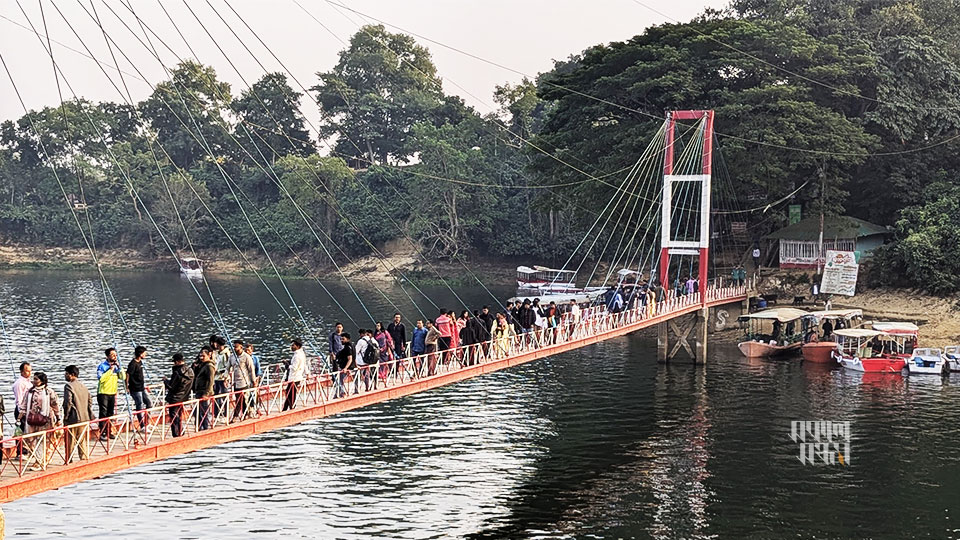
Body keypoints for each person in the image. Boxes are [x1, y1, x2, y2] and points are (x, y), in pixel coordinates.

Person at [19, 372, 60, 471]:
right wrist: (19, 417)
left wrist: (58, 418)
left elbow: (55, 404)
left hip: (45, 419)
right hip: (32, 419)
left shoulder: (49, 392)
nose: (34, 380)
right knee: (32, 440)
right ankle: (38, 459)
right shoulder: (30, 392)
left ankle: (40, 461)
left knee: (43, 440)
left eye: (36, 379)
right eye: (34, 378)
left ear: (41, 381)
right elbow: (24, 405)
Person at [62, 365, 94, 462]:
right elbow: (90, 401)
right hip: (84, 418)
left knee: (70, 440)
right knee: (82, 440)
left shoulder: (68, 386)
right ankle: (83, 457)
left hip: (73, 418)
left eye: (66, 374)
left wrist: (66, 416)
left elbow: (68, 403)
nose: (65, 376)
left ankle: (69, 459)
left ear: (72, 375)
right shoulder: (83, 386)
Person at [163, 353, 194, 438]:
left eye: (174, 362)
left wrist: (165, 381)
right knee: (179, 415)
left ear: (177, 362)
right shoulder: (190, 371)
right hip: (184, 396)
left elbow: (171, 387)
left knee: (173, 415)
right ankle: (180, 430)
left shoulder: (177, 372)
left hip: (175, 397)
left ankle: (176, 433)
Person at [96, 348, 122, 441]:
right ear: (107, 356)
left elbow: (122, 377)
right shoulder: (102, 366)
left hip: (112, 393)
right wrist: (110, 370)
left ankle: (109, 431)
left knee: (110, 413)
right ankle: (102, 433)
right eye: (112, 355)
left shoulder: (116, 366)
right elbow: (101, 378)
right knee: (103, 413)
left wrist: (119, 368)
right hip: (103, 393)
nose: (115, 356)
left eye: (116, 355)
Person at [229, 340, 256, 422]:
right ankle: (240, 415)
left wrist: (253, 381)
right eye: (234, 347)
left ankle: (239, 415)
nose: (234, 348)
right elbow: (228, 367)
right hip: (236, 382)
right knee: (238, 399)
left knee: (243, 399)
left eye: (236, 347)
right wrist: (226, 377)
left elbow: (251, 369)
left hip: (244, 381)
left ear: (241, 347)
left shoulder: (246, 357)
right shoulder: (232, 357)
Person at [126, 345, 151, 432]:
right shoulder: (133, 364)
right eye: (144, 353)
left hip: (141, 387)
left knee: (149, 403)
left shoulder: (140, 362)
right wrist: (127, 387)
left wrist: (145, 386)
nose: (145, 355)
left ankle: (147, 423)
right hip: (135, 389)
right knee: (139, 405)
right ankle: (142, 426)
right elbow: (128, 375)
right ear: (140, 354)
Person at [193, 346, 216, 431]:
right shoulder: (202, 365)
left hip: (204, 392)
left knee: (204, 410)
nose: (201, 358)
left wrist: (206, 393)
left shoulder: (209, 366)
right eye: (200, 356)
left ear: (208, 355)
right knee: (197, 411)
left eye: (203, 356)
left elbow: (211, 381)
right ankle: (199, 426)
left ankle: (205, 427)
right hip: (199, 391)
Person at [283, 339, 307, 411]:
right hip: (297, 377)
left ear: (298, 346)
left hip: (294, 377)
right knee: (289, 393)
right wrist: (307, 373)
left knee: (290, 393)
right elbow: (304, 364)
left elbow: (294, 368)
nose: (291, 347)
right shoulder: (301, 354)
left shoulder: (297, 356)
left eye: (293, 345)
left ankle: (291, 407)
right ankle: (286, 408)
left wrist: (287, 365)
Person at [211, 336, 231, 419]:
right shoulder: (217, 353)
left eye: (218, 345)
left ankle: (226, 413)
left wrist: (225, 376)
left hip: (223, 378)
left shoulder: (226, 354)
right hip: (216, 378)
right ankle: (216, 413)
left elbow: (228, 367)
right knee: (216, 395)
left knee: (224, 395)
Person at [13, 361, 32, 436]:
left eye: (30, 371)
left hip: (28, 410)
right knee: (22, 432)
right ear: (21, 371)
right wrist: (21, 414)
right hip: (21, 411)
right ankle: (21, 447)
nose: (29, 373)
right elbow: (19, 400)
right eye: (27, 371)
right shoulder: (19, 383)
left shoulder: (28, 382)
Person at [334, 333, 355, 398]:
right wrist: (356, 365)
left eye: (343, 339)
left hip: (346, 368)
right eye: (341, 339)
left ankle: (342, 393)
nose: (341, 340)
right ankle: (337, 393)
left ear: (348, 339)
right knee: (340, 380)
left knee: (340, 381)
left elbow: (350, 359)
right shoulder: (352, 345)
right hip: (350, 366)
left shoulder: (348, 348)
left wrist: (345, 368)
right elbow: (354, 357)